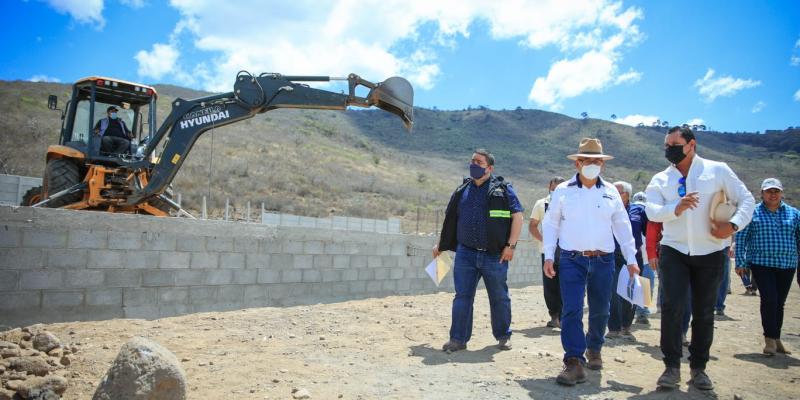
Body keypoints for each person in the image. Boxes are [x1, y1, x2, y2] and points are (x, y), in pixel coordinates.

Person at [645, 126, 755, 391]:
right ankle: (671, 367)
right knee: (672, 309)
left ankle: (699, 369)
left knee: (705, 313)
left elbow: (747, 200)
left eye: (674, 143)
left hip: (712, 251)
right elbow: (652, 211)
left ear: (691, 144)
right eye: (666, 144)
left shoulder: (717, 170)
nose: (668, 148)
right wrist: (676, 208)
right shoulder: (661, 179)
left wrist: (734, 226)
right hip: (674, 251)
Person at [542, 138, 639, 386]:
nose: (592, 164)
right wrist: (549, 255)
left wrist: (631, 258)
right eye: (587, 160)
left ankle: (594, 348)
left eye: (597, 161)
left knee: (601, 309)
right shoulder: (563, 191)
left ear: (603, 165)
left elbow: (622, 226)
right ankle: (574, 361)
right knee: (572, 309)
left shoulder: (611, 194)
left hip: (604, 260)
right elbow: (551, 224)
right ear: (577, 163)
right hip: (571, 260)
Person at [434, 149, 524, 353]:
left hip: (494, 255)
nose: (473, 164)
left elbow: (517, 217)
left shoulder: (503, 190)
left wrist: (510, 246)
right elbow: (451, 221)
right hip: (466, 254)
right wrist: (440, 244)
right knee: (462, 297)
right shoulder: (462, 190)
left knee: (499, 297)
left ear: (489, 168)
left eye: (479, 162)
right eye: (472, 161)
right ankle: (458, 339)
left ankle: (503, 336)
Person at [734, 178, 799, 356]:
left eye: (776, 191)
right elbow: (741, 238)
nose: (773, 194)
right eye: (769, 191)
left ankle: (776, 338)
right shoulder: (752, 213)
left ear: (781, 193)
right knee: (769, 299)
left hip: (787, 264)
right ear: (762, 193)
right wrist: (740, 262)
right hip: (762, 263)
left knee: (780, 302)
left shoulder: (794, 214)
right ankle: (769, 339)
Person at [607, 182, 647, 338]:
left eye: (619, 192)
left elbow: (649, 232)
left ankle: (626, 326)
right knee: (613, 292)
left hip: (634, 257)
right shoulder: (608, 209)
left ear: (628, 195)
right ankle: (614, 328)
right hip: (613, 255)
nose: (616, 195)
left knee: (632, 293)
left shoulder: (639, 211)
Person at [528, 176, 566, 328]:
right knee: (550, 286)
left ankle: (564, 317)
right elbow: (532, 226)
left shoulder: (571, 203)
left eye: (559, 188)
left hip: (567, 252)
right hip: (547, 253)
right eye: (554, 187)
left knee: (566, 284)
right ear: (549, 187)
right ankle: (554, 315)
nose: (556, 191)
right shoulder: (541, 204)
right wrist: (545, 241)